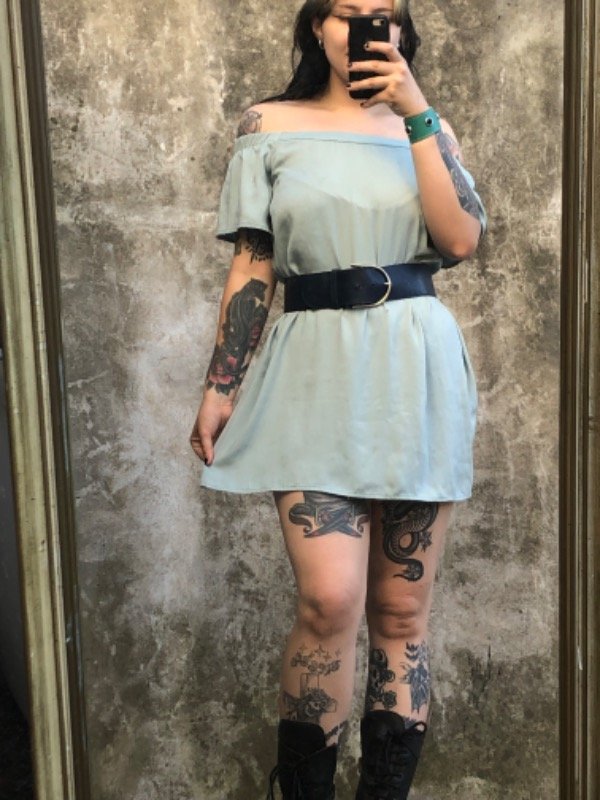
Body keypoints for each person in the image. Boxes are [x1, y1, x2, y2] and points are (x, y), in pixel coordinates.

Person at [190, 0, 487, 797]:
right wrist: (220, 385)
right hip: (312, 370)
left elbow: (460, 240)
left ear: (403, 31)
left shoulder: (429, 130)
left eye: (382, 13)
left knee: (402, 615)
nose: (364, 26)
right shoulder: (268, 125)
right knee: (329, 601)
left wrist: (416, 109)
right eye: (347, 12)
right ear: (316, 26)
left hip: (416, 370)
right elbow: (254, 263)